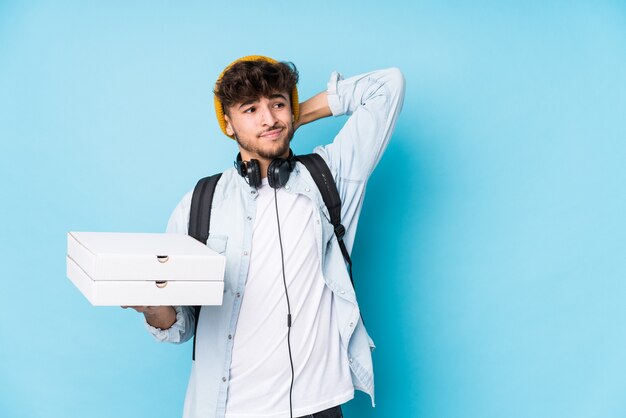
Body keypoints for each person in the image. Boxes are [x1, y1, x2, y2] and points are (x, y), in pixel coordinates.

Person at [128, 55, 405, 418]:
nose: (268, 118)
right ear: (228, 124)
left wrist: (291, 119)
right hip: (229, 409)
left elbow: (388, 86)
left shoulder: (331, 176)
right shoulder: (200, 203)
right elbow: (179, 325)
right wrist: (153, 308)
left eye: (277, 103)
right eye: (251, 109)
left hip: (317, 405)